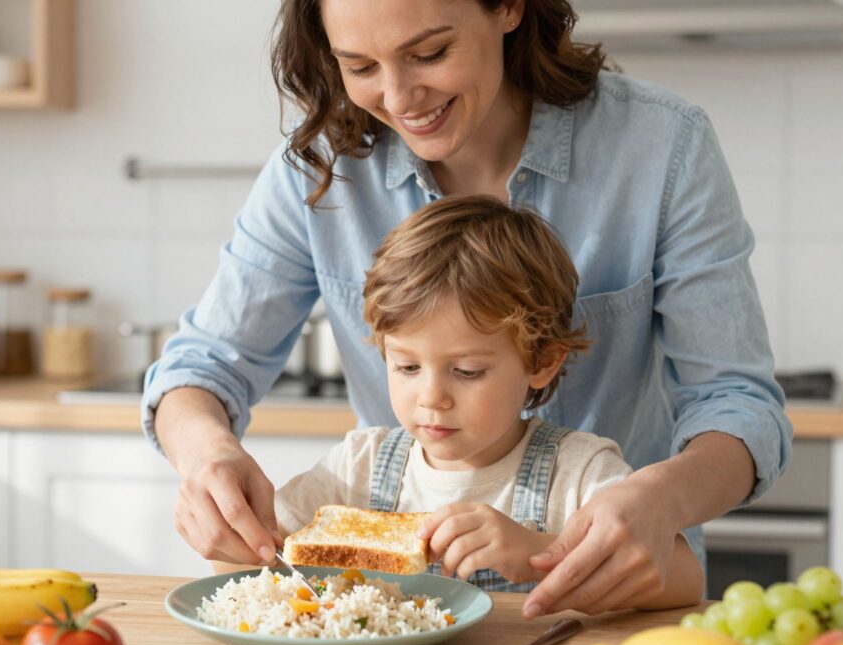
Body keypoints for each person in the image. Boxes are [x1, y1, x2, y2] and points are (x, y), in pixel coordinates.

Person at [143, 0, 791, 618]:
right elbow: (202, 368)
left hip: (615, 596)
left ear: (508, 7)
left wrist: (659, 498)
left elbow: (736, 402)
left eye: (429, 52)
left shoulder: (660, 145)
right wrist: (209, 459)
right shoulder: (318, 166)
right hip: (406, 616)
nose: (397, 99)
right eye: (361, 67)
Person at [274, 195, 704, 608]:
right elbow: (253, 556)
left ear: (542, 362)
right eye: (407, 367)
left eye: (466, 372)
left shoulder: (577, 471)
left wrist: (540, 552)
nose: (432, 398)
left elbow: (685, 578)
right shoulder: (357, 467)